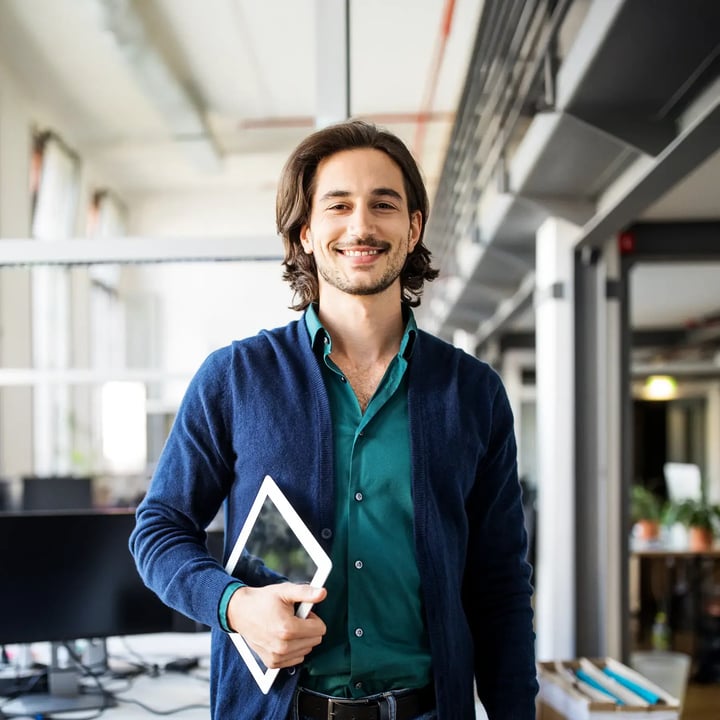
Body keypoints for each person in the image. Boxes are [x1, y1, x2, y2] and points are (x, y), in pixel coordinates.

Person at [130, 119, 537, 719]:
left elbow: (500, 586)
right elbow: (158, 531)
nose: (362, 226)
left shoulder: (473, 393)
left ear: (414, 226)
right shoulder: (235, 378)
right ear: (307, 232)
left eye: (384, 205)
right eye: (338, 206)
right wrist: (235, 605)